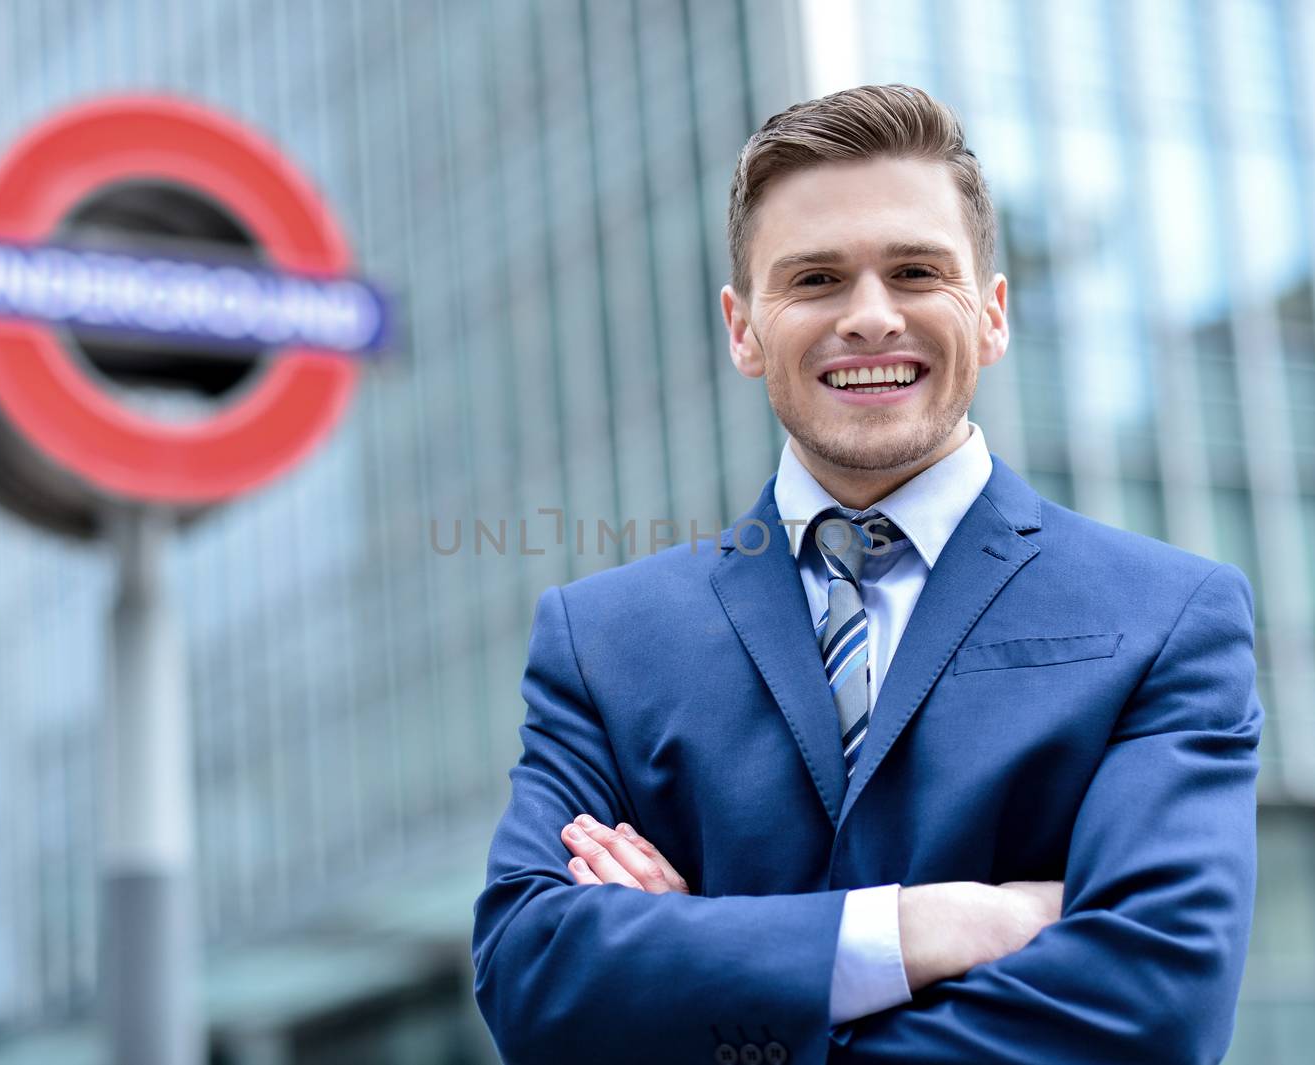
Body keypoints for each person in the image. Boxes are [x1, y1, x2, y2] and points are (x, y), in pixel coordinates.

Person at [471, 84, 1262, 1065]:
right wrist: (926, 929)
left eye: (917, 270)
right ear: (742, 329)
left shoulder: (1167, 615)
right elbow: (530, 974)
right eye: (814, 280)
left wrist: (709, 973)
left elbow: (1157, 1006)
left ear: (992, 313)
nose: (871, 317)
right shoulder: (602, 643)